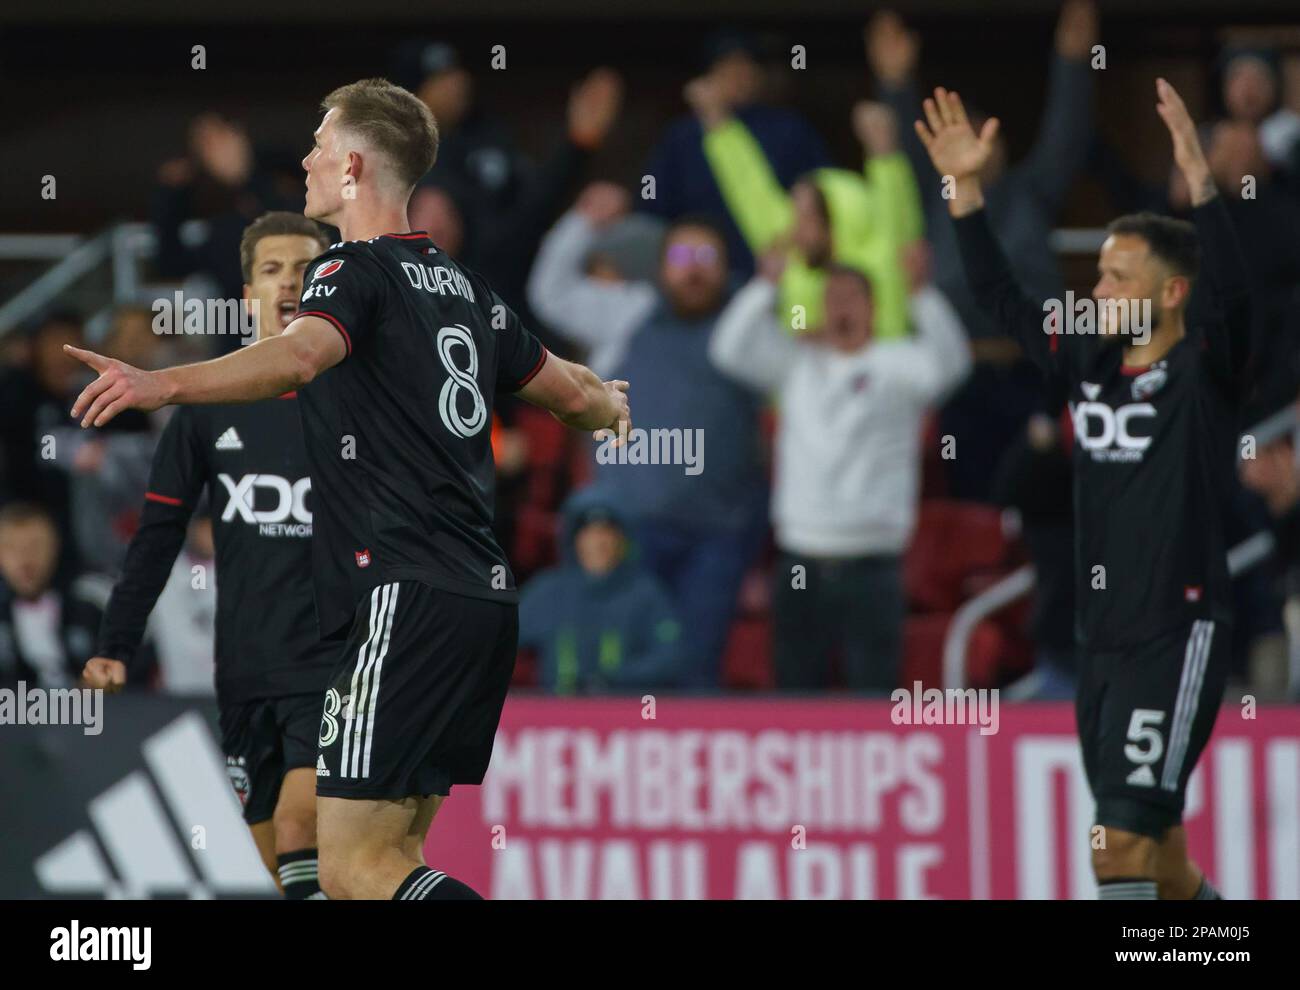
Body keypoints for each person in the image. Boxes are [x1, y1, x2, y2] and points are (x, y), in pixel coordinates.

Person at [66, 79, 631, 902]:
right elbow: (573, 396)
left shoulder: (348, 270)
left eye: (321, 143)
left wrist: (165, 385)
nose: (305, 158)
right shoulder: (468, 290)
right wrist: (612, 404)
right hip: (478, 600)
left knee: (352, 871)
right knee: (395, 858)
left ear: (356, 165)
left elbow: (299, 357)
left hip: (401, 596)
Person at [915, 78, 1248, 899]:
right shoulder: (1083, 360)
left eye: (1117, 280)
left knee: (1120, 853)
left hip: (1174, 631)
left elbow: (1235, 299)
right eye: (1097, 276)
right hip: (1100, 639)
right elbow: (999, 295)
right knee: (1157, 859)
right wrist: (963, 187)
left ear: (1172, 296)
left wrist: (1202, 183)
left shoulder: (1202, 371)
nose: (1095, 294)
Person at [82, 212, 335, 898]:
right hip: (246, 669)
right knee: (276, 870)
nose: (290, 282)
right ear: (248, 290)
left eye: (307, 268)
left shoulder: (360, 399)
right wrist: (116, 643)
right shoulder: (203, 400)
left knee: (297, 829)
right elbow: (158, 534)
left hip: (338, 664)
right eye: (272, 269)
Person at [529, 184, 766, 687]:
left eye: (708, 256)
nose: (694, 267)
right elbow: (550, 292)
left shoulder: (747, 324)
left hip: (716, 537)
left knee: (697, 670)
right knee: (621, 672)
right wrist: (583, 221)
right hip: (626, 533)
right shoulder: (629, 312)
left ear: (727, 266)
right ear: (661, 266)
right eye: (682, 255)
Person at [711, 251, 970, 692]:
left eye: (853, 297)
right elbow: (727, 350)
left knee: (875, 694)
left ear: (873, 307)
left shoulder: (900, 364)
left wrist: (922, 297)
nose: (842, 307)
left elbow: (954, 362)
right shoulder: (794, 364)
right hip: (800, 558)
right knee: (795, 693)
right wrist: (765, 287)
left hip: (875, 561)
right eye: (833, 298)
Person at [519, 488, 681, 693]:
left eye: (607, 533)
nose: (599, 542)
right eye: (590, 533)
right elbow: (501, 641)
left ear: (622, 540)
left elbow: (671, 657)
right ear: (574, 541)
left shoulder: (646, 593)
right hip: (555, 714)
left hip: (625, 713)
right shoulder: (547, 590)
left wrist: (614, 680)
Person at [0, 503, 112, 689]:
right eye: (11, 547)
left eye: (35, 545)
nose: (25, 557)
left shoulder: (92, 603)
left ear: (54, 548)